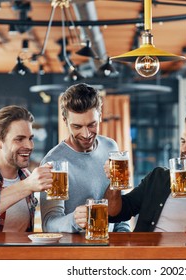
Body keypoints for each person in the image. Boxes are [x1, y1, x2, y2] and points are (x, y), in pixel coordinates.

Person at [40, 83, 130, 233]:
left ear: (100, 116)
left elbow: (121, 206)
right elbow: (49, 224)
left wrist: (124, 236)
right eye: (77, 127)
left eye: (92, 125)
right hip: (74, 251)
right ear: (65, 120)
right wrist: (74, 220)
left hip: (110, 247)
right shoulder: (53, 161)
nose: (86, 134)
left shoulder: (111, 147)